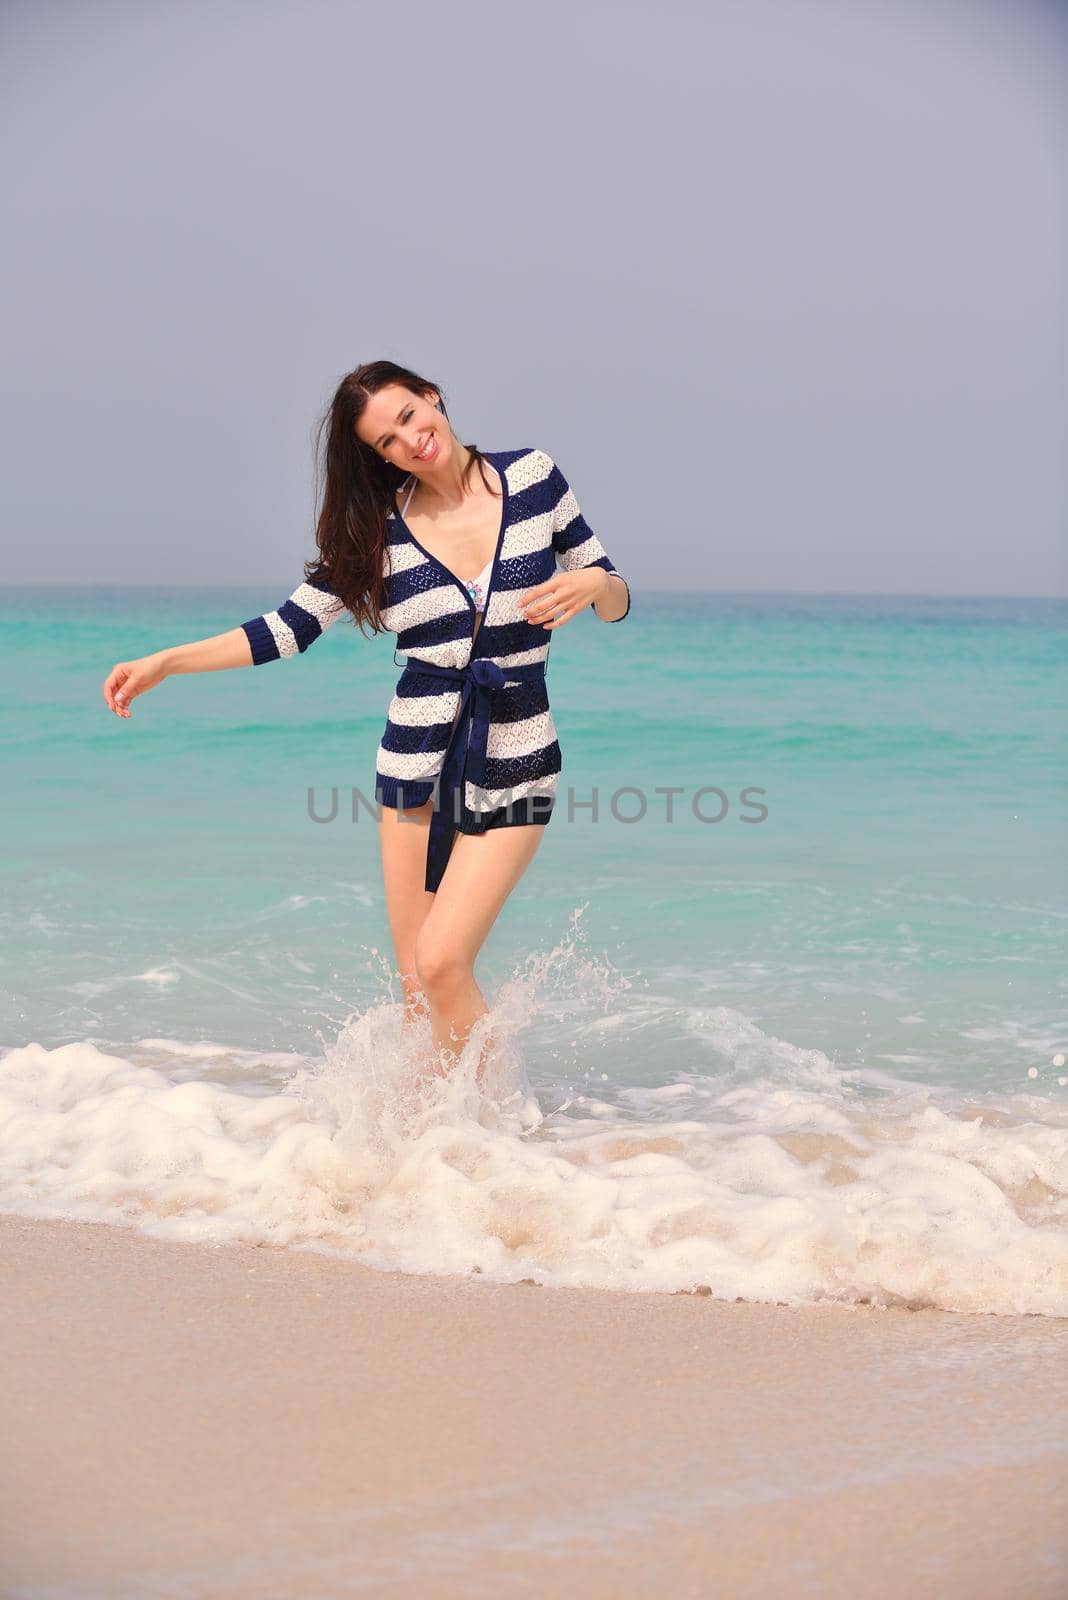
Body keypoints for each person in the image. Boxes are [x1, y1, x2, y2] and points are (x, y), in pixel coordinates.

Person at [102, 361, 631, 1080]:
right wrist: (168, 661)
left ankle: (503, 1126)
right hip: (412, 770)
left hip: (519, 757)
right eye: (388, 439)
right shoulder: (376, 533)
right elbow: (287, 628)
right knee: (418, 992)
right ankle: (437, 1151)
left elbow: (613, 593)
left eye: (411, 415)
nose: (411, 439)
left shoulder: (534, 477)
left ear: (433, 398)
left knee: (443, 963)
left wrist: (596, 583)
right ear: (378, 457)